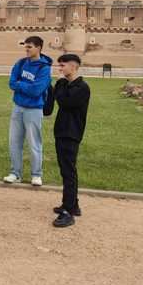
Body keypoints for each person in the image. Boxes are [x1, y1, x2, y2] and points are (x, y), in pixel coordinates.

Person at [3, 36, 52, 186]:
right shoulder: (21, 63)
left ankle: (36, 174)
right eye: (26, 47)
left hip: (34, 110)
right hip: (18, 107)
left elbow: (37, 90)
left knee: (34, 143)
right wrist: (25, 86)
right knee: (14, 142)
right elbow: (11, 83)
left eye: (30, 47)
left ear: (38, 48)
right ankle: (15, 173)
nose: (27, 49)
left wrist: (21, 85)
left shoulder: (44, 68)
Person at [52, 54, 90, 228]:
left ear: (73, 66)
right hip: (61, 131)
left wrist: (59, 86)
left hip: (72, 133)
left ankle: (69, 212)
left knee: (69, 172)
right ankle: (72, 205)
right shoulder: (63, 85)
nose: (60, 69)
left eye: (62, 65)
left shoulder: (82, 87)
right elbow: (49, 105)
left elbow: (66, 102)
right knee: (65, 170)